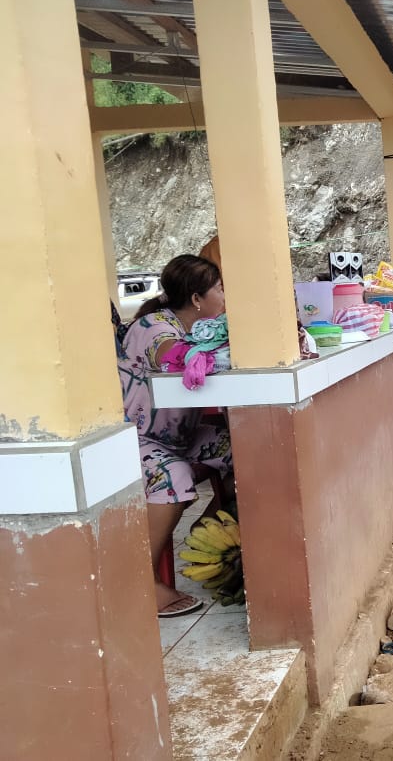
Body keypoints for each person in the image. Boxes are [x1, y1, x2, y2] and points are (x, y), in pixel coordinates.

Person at [119, 254, 233, 618]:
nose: (225, 296)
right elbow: (173, 357)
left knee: (243, 449)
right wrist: (222, 343)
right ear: (197, 298)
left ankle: (208, 527)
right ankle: (140, 580)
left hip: (180, 435)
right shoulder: (154, 326)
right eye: (220, 289)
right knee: (174, 475)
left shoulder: (201, 329)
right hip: (138, 438)